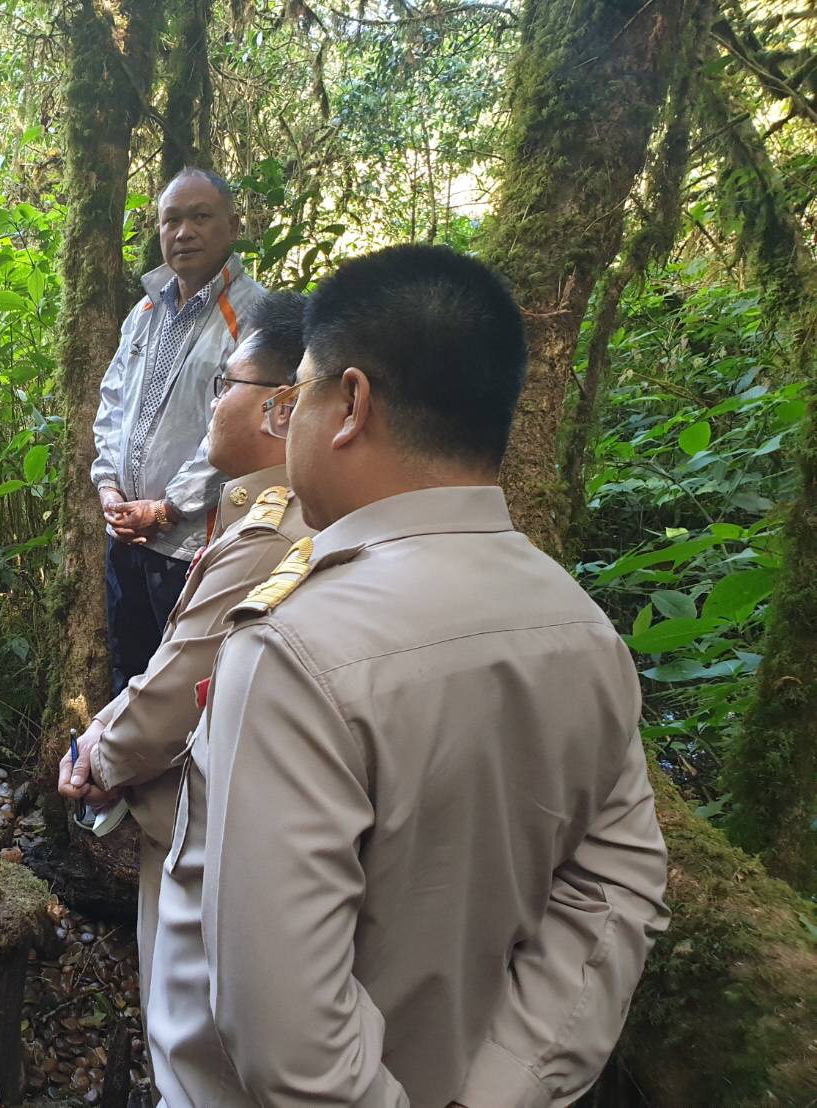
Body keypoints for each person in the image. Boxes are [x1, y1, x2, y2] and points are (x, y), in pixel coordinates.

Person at [147, 244, 670, 1107]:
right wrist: (504, 1090)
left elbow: (292, 1049)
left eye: (299, 396)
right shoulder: (582, 628)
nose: (290, 425)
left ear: (349, 402)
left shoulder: (293, 651)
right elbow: (613, 890)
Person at [59, 291, 310, 1005]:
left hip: (219, 841)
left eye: (225, 385)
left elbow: (184, 684)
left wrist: (97, 759)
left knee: (190, 1022)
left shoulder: (272, 533)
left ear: (282, 407)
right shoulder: (139, 314)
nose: (213, 403)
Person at [91, 167, 265, 696]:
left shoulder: (252, 315)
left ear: (233, 226)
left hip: (193, 546)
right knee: (128, 673)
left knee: (184, 688)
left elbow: (239, 432)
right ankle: (121, 776)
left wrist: (167, 508)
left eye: (200, 217)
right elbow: (113, 403)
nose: (183, 232)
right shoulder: (146, 310)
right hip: (126, 536)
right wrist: (110, 489)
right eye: (171, 220)